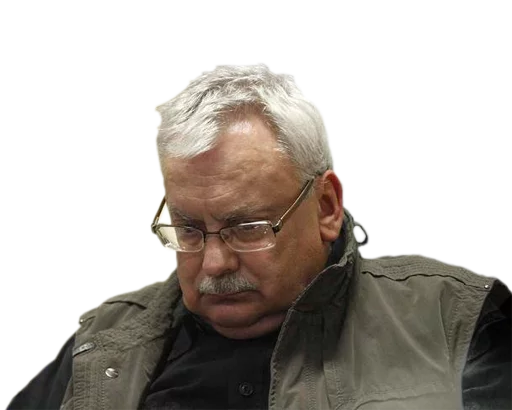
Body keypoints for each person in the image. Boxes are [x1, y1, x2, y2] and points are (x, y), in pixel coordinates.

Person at [6, 65, 512, 410]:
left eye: (247, 228)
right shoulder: (103, 342)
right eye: (188, 229)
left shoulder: (452, 321)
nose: (214, 263)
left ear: (326, 207)